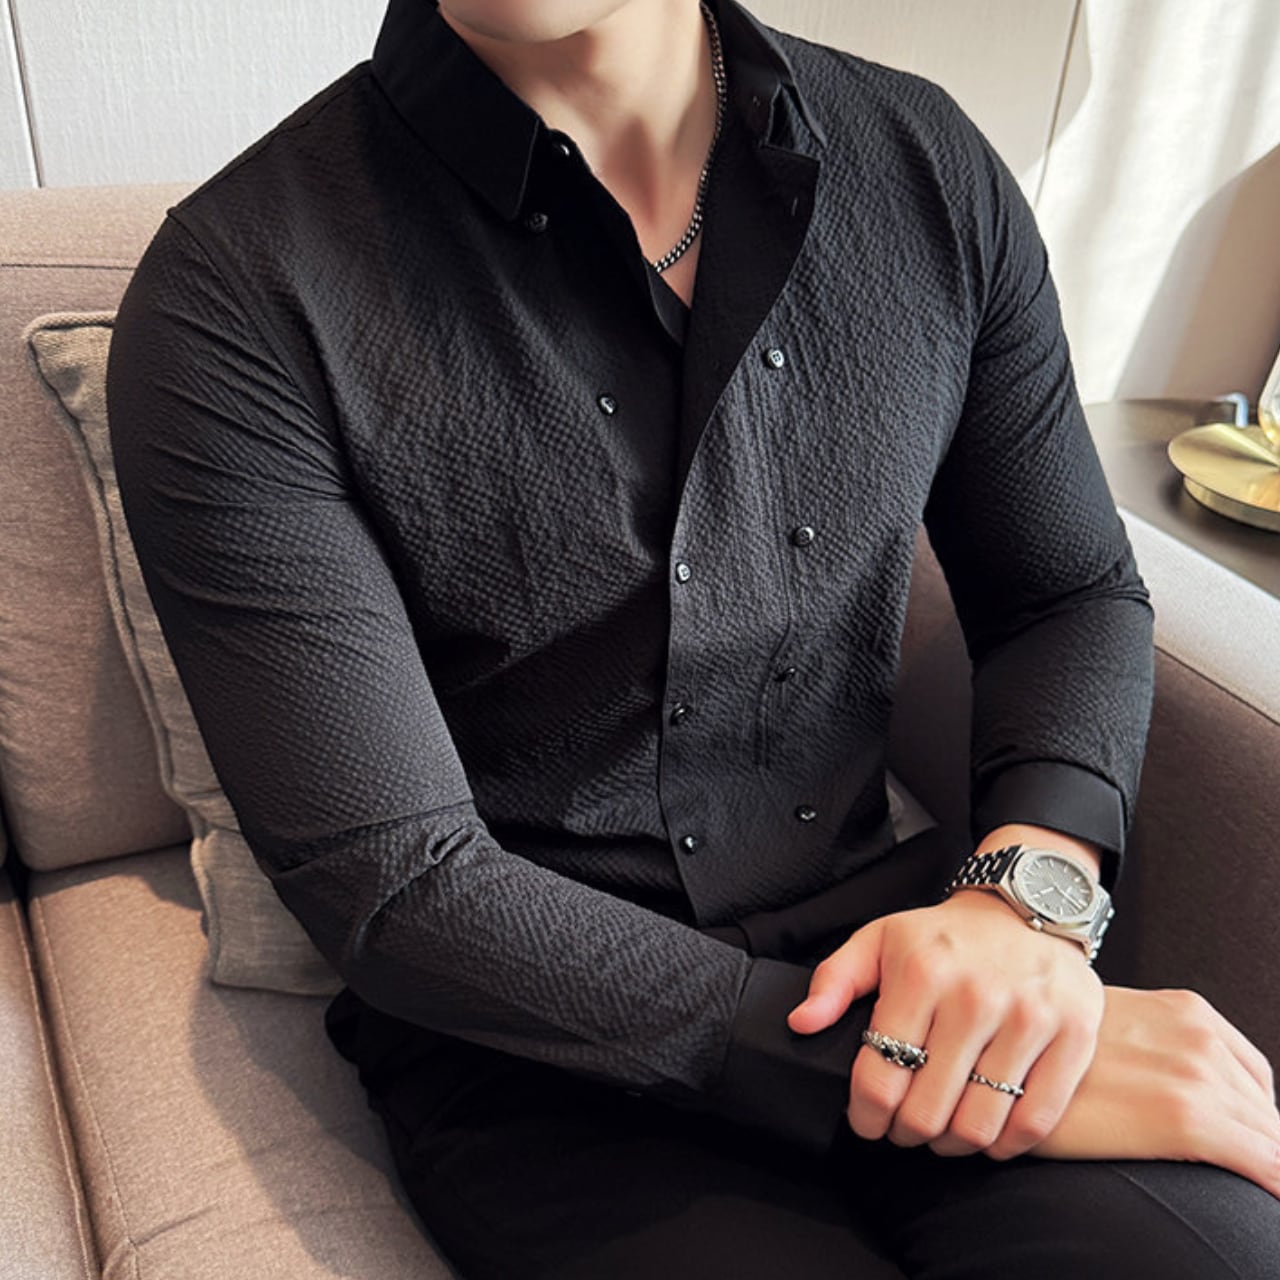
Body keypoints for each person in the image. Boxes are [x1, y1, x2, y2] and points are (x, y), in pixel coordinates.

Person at [106, 0, 1280, 1275]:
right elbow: (395, 882)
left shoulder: (924, 164)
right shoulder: (234, 290)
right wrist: (905, 1060)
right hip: (543, 1042)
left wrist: (1023, 901)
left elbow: (1064, 592)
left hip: (895, 941)